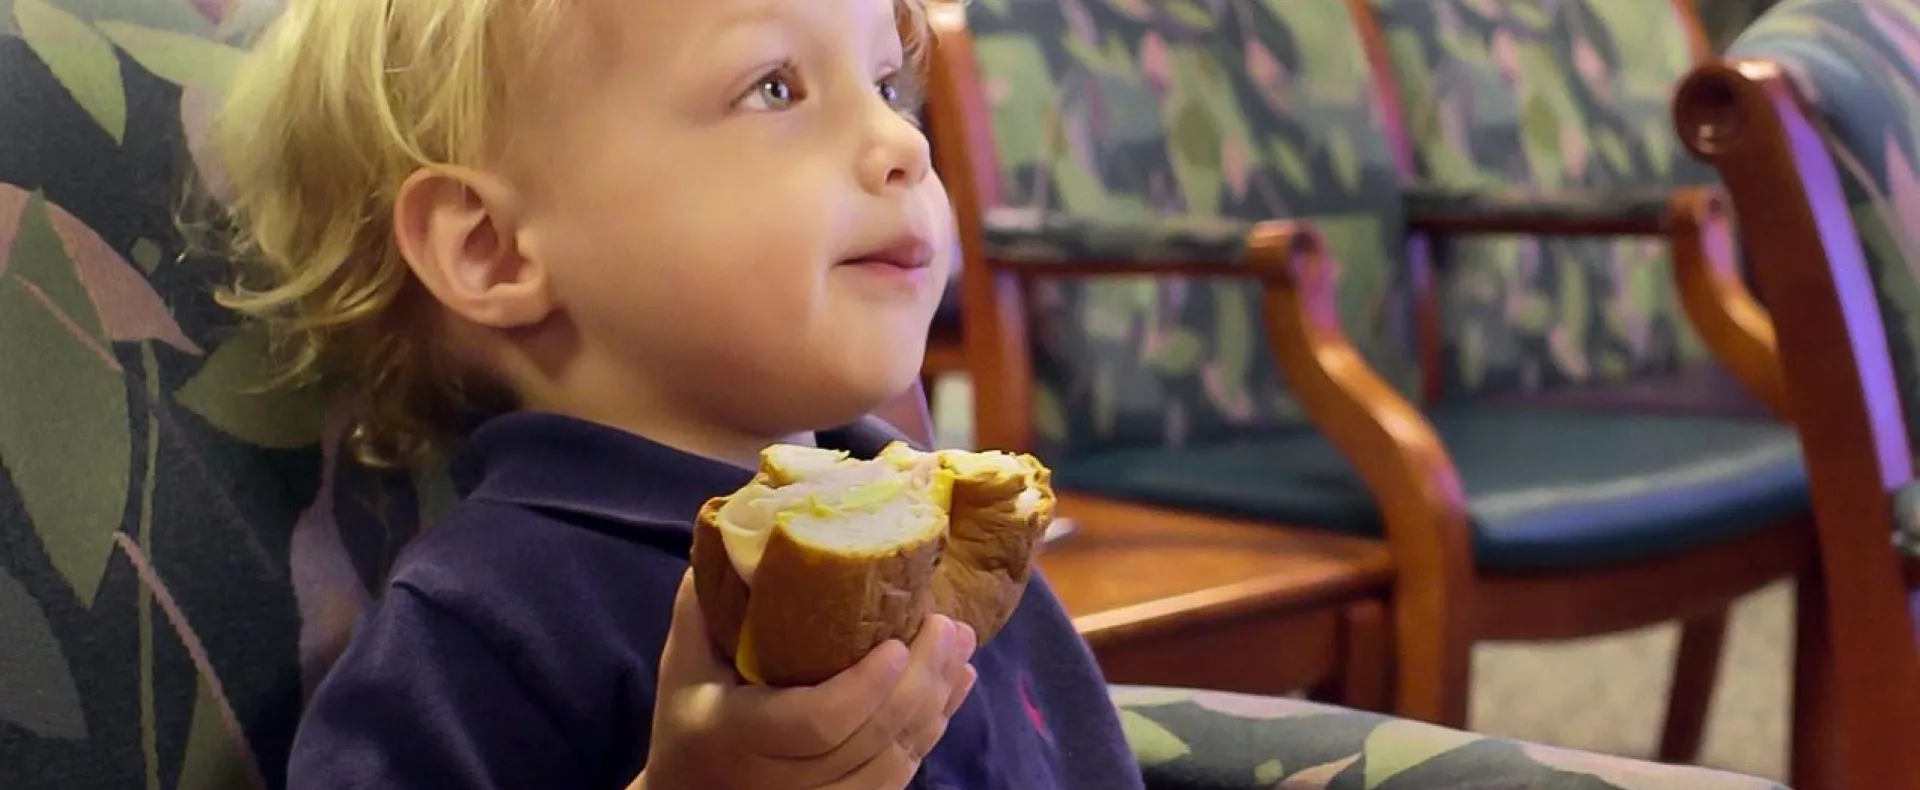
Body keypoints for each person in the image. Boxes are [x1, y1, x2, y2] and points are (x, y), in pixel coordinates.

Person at [208, 0, 1142, 787]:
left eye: (890, 85)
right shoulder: (484, 628)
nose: (902, 141)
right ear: (490, 247)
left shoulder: (963, 537)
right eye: (774, 86)